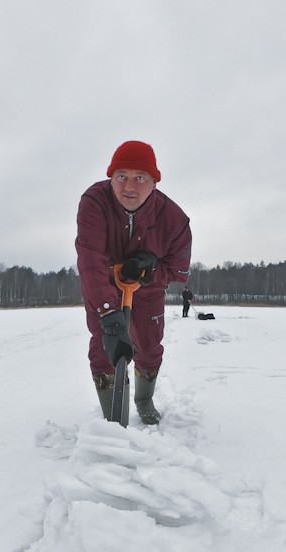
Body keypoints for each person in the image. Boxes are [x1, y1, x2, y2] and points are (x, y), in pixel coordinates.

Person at [76, 140, 192, 426]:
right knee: (105, 346)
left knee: (150, 347)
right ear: (110, 177)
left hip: (148, 290)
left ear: (154, 182)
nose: (129, 187)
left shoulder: (174, 220)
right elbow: (90, 259)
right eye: (121, 176)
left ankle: (143, 399)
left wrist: (149, 268)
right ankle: (114, 420)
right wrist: (109, 314)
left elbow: (179, 270)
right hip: (104, 284)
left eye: (140, 178)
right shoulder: (95, 202)